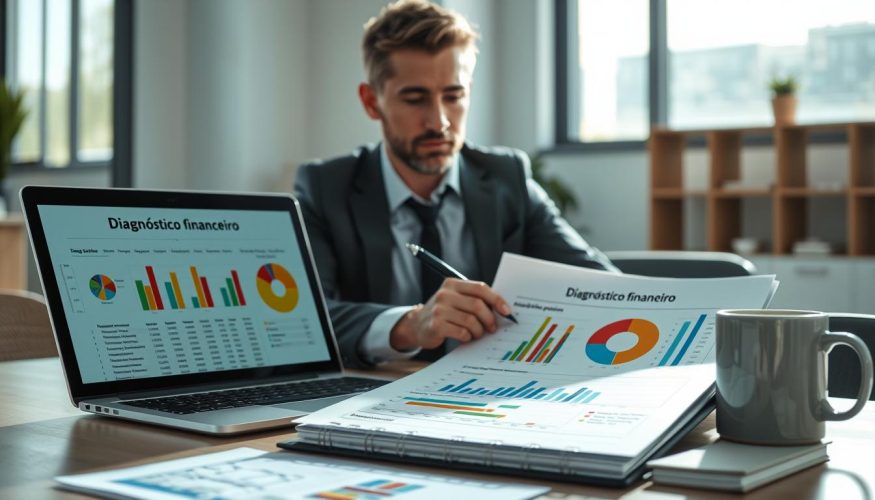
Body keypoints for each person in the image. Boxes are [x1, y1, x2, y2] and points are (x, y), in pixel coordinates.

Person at [294, 0, 616, 369]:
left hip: (492, 395)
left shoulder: (506, 179)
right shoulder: (325, 188)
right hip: (372, 395)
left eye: (454, 96)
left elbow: (601, 284)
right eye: (415, 99)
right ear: (372, 102)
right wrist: (409, 326)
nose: (440, 121)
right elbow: (304, 320)